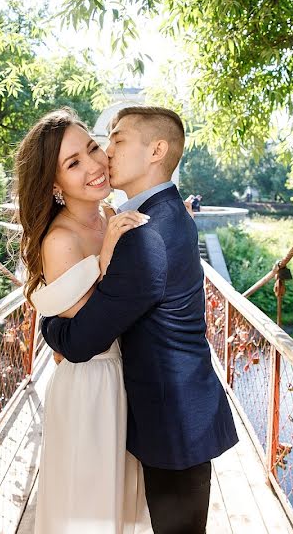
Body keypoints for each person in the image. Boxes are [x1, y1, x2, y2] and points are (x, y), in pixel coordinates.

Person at [42, 105, 238, 534]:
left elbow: (76, 343)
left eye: (117, 140)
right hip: (170, 410)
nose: (106, 152)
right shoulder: (167, 213)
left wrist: (47, 321)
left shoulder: (146, 234)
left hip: (173, 421)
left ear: (157, 151)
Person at [14, 108, 153, 534]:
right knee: (88, 511)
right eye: (73, 163)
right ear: (55, 185)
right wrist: (107, 256)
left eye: (92, 147)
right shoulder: (61, 239)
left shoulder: (111, 216)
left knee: (121, 509)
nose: (94, 164)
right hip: (91, 390)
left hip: (127, 383)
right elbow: (88, 333)